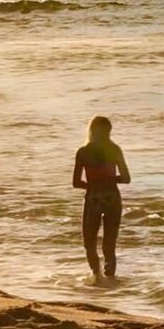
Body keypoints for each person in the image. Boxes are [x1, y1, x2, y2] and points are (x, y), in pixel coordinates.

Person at [72, 115, 131, 279]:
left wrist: (92, 184)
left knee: (89, 243)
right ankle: (110, 279)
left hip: (93, 200)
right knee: (109, 244)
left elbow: (76, 182)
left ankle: (97, 277)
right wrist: (110, 179)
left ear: (91, 130)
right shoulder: (115, 149)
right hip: (112, 198)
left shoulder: (83, 152)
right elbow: (126, 178)